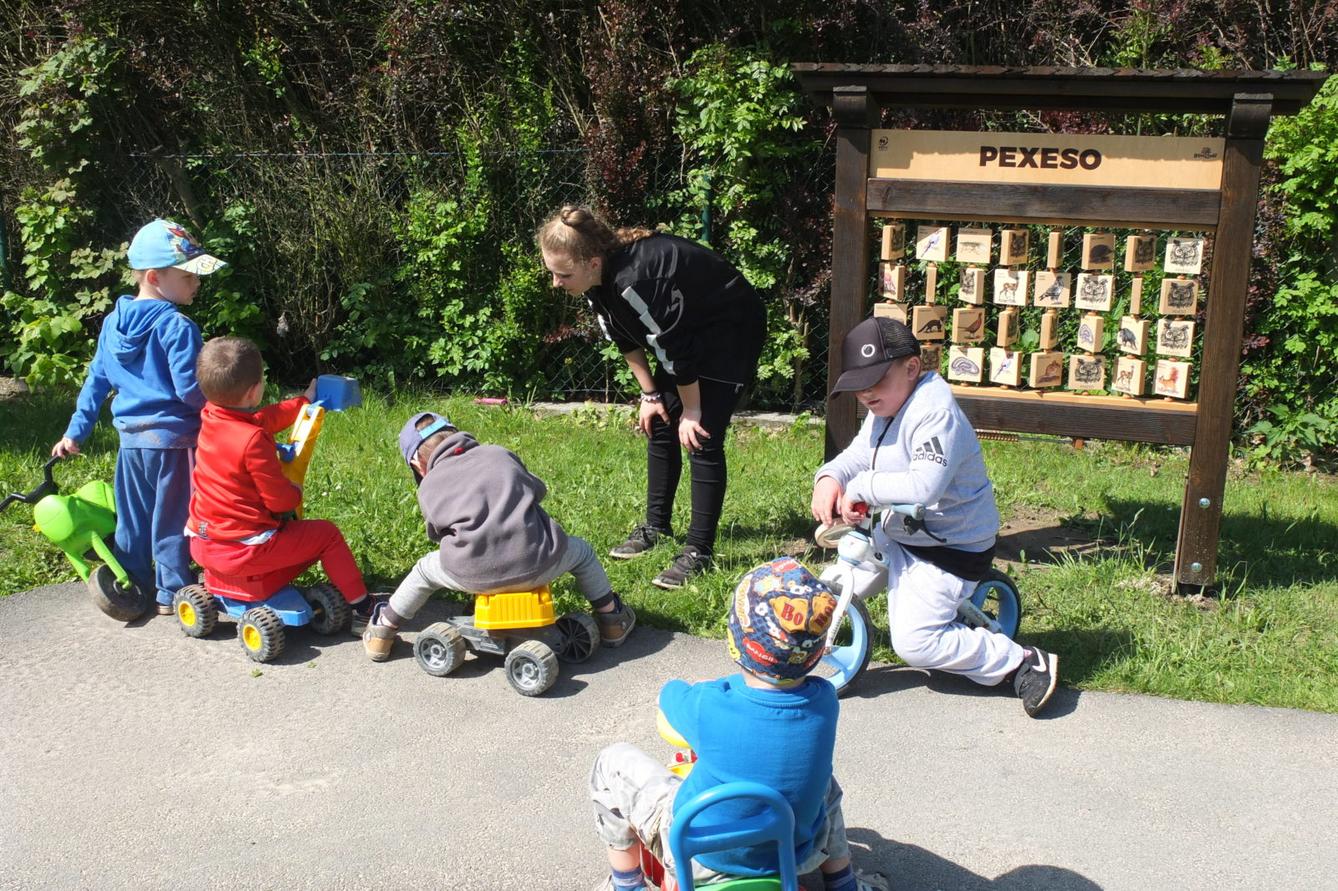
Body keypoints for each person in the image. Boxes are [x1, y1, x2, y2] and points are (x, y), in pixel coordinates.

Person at [587, 558, 888, 891]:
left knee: (611, 763)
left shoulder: (709, 704)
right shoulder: (824, 702)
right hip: (793, 853)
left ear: (737, 639)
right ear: (816, 652)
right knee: (824, 784)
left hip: (697, 859)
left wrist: (692, 690)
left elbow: (669, 695)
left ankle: (627, 884)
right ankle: (842, 881)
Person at [811, 316, 1059, 717]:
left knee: (914, 643)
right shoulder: (887, 404)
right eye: (858, 385)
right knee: (833, 581)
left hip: (949, 548)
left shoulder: (935, 412)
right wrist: (831, 477)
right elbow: (860, 454)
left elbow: (924, 486)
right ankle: (792, 648)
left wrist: (860, 487)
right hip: (902, 532)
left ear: (912, 368)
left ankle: (1020, 661)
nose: (866, 392)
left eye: (875, 380)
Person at [537, 205, 766, 590]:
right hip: (687, 335)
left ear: (592, 262)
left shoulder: (635, 280)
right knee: (660, 421)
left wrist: (692, 410)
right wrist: (650, 394)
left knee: (701, 436)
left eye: (563, 274)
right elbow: (627, 338)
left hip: (730, 330)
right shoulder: (598, 281)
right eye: (552, 273)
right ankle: (656, 526)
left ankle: (699, 550)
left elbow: (674, 348)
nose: (556, 283)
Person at [51, 218, 226, 615]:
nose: (197, 283)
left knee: (133, 517)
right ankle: (172, 592)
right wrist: (227, 412)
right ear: (154, 277)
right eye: (188, 276)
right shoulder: (177, 326)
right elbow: (189, 390)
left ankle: (132, 584)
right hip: (174, 442)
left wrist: (75, 432)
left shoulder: (113, 324)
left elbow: (96, 380)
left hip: (131, 442)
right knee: (172, 516)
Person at [361, 411, 637, 661]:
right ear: (457, 434)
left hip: (472, 575)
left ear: (417, 463)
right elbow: (538, 491)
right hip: (538, 561)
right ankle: (612, 618)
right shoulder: (498, 455)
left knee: (424, 571)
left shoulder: (429, 485)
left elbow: (436, 533)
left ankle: (383, 631)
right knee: (583, 553)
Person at [187, 336, 376, 625]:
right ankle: (362, 606)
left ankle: (229, 583)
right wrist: (295, 491)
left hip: (203, 544)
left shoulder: (212, 417)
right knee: (326, 535)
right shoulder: (252, 440)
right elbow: (278, 500)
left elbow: (264, 417)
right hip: (245, 551)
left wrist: (303, 402)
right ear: (254, 391)